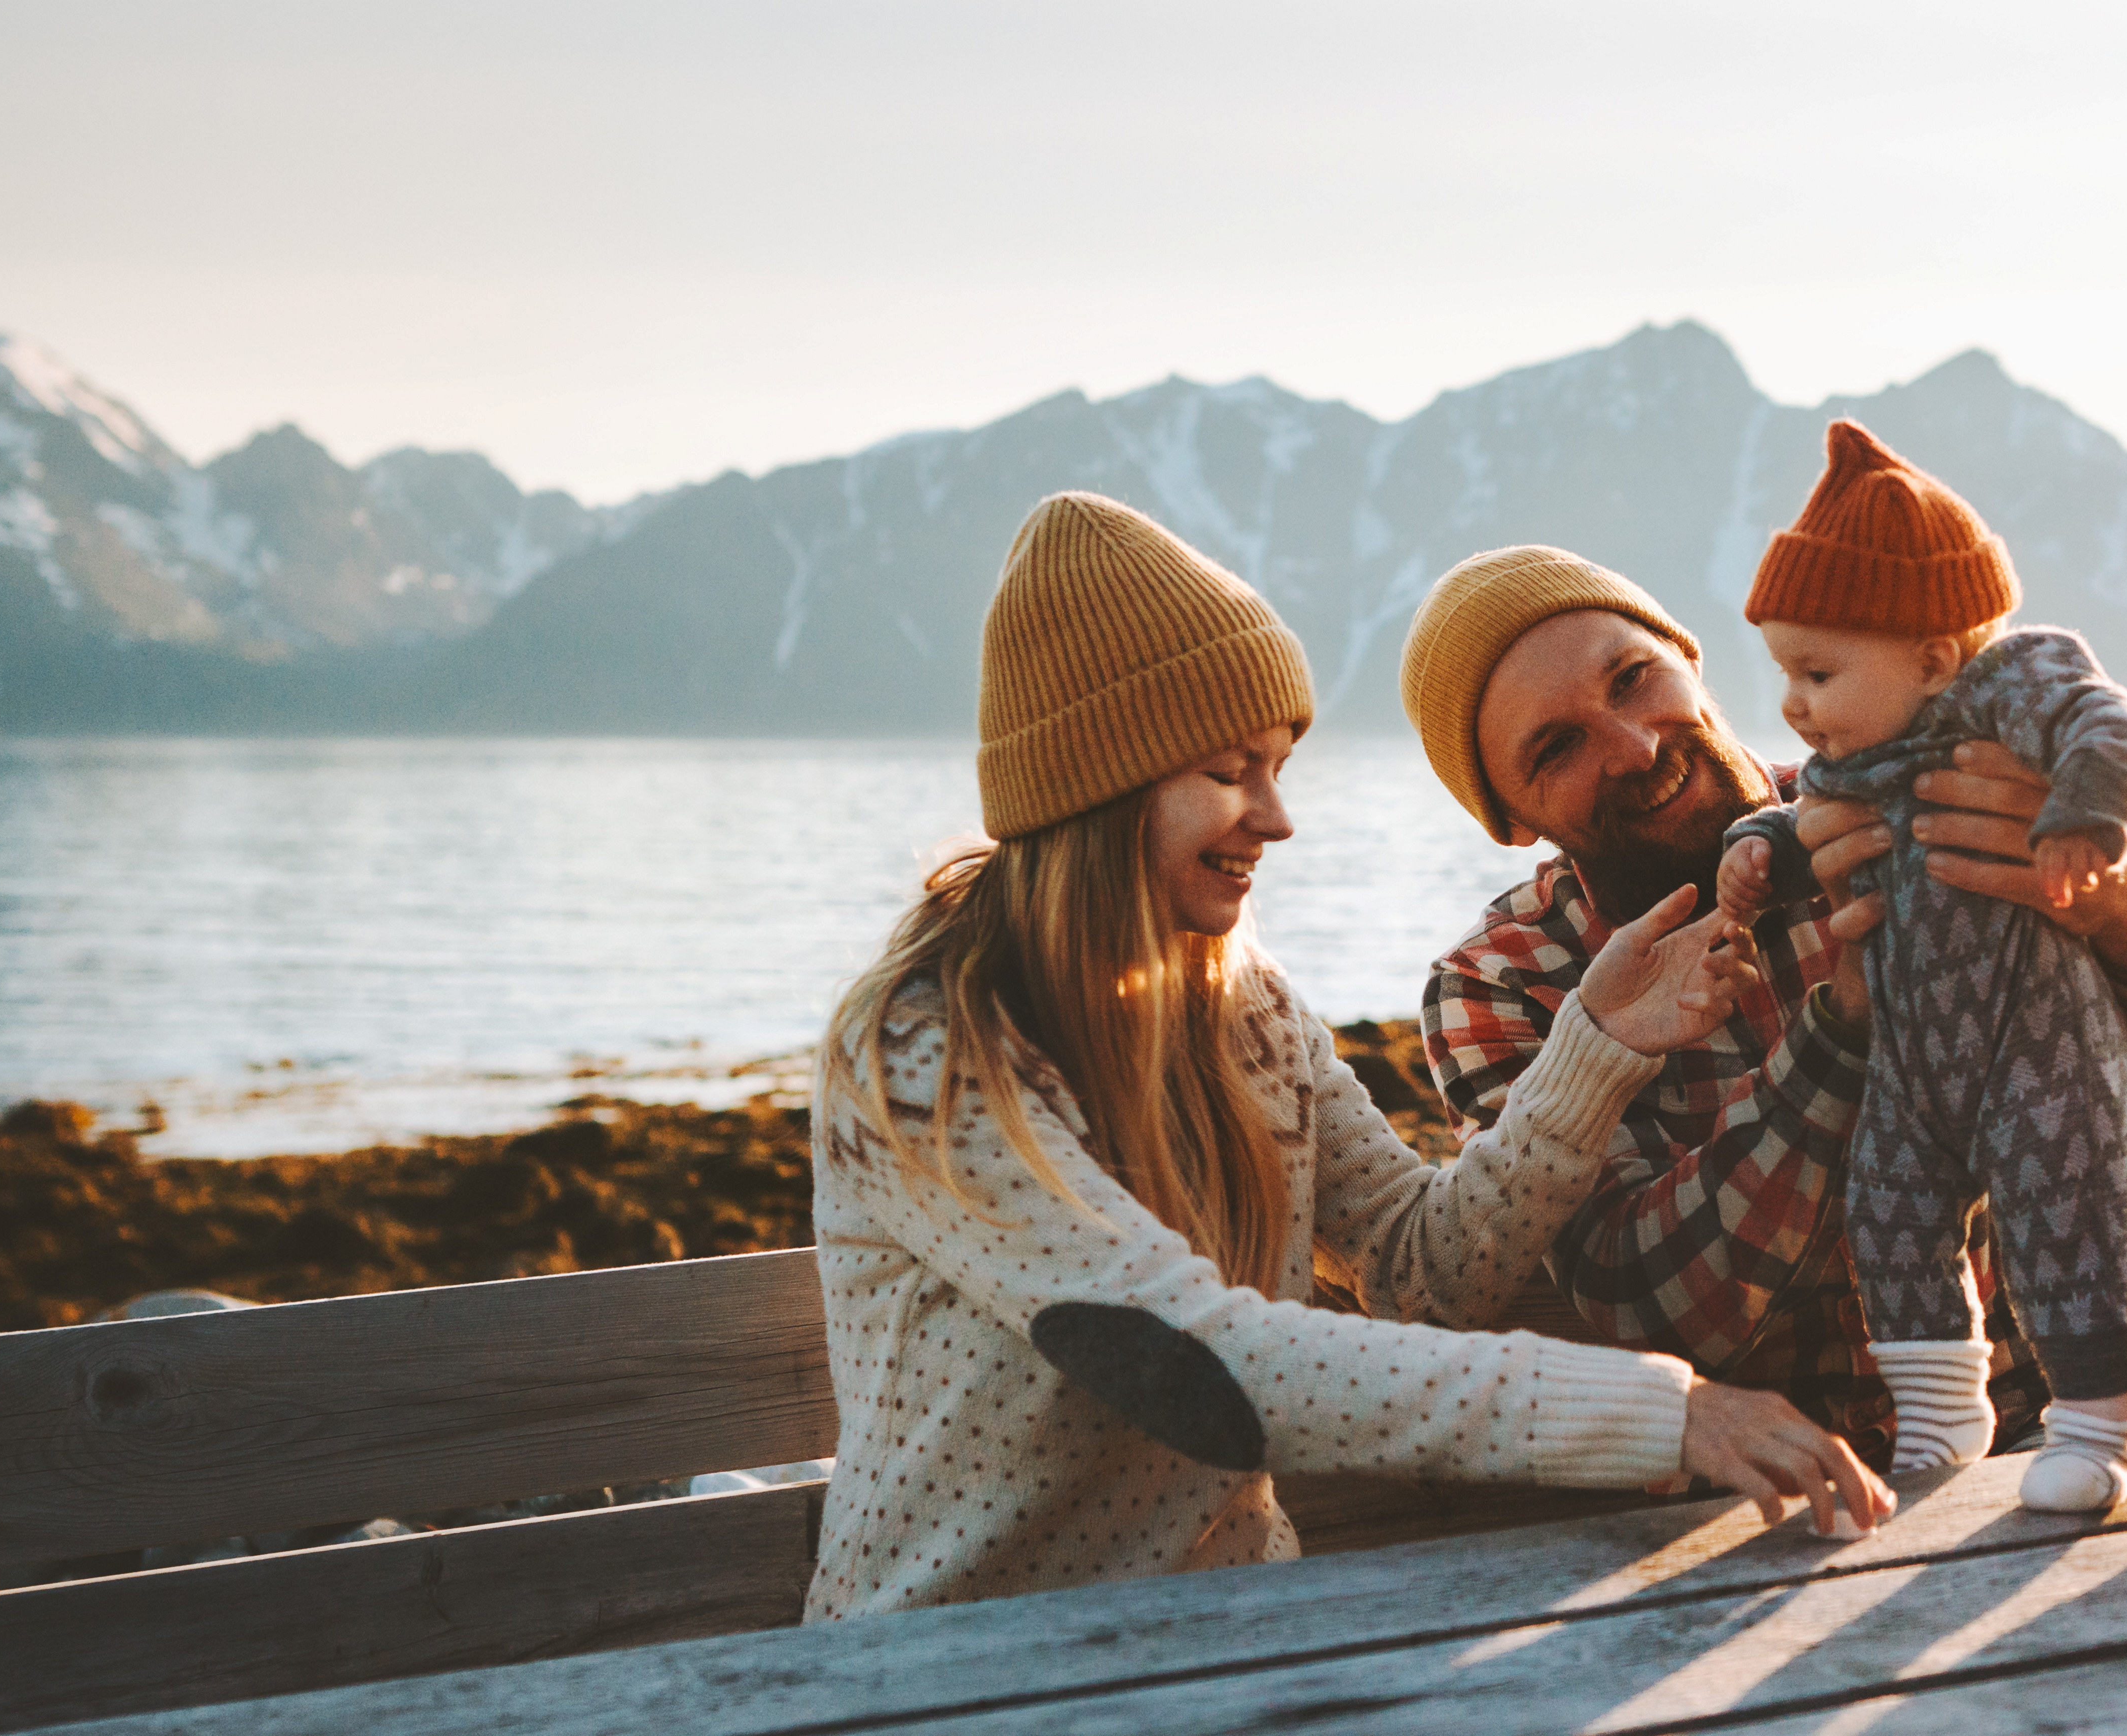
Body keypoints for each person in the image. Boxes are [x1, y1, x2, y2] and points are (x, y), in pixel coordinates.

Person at [805, 491, 1889, 1622]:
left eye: (1277, 765)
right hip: (950, 1662)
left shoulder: (1243, 1006)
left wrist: (1595, 1047)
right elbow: (1184, 1353)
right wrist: (1666, 1410)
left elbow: (1425, 1267)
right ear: (1103, 780)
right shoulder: (924, 1045)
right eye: (1231, 771)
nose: (1274, 818)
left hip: (1235, 1634)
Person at [1399, 523, 2127, 1474]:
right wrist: (1842, 1037)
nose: (1633, 744)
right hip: (1760, 1512)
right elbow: (1647, 1303)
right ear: (1509, 819)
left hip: (2060, 1443)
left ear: (1689, 660)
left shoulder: (1943, 798)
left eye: (1632, 678)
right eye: (1557, 747)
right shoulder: (1504, 982)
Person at [1716, 419, 2127, 1511]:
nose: (1791, 703)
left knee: (2065, 1216)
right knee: (1888, 1211)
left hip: (2035, 1043)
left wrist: (2086, 823)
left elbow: (2115, 729)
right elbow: (1800, 818)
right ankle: (1939, 1409)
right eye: (1784, 672)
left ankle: (2097, 1427)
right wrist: (1753, 851)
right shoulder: (1854, 762)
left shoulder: (2006, 689)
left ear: (1930, 655)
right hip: (1913, 1069)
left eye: (1816, 670)